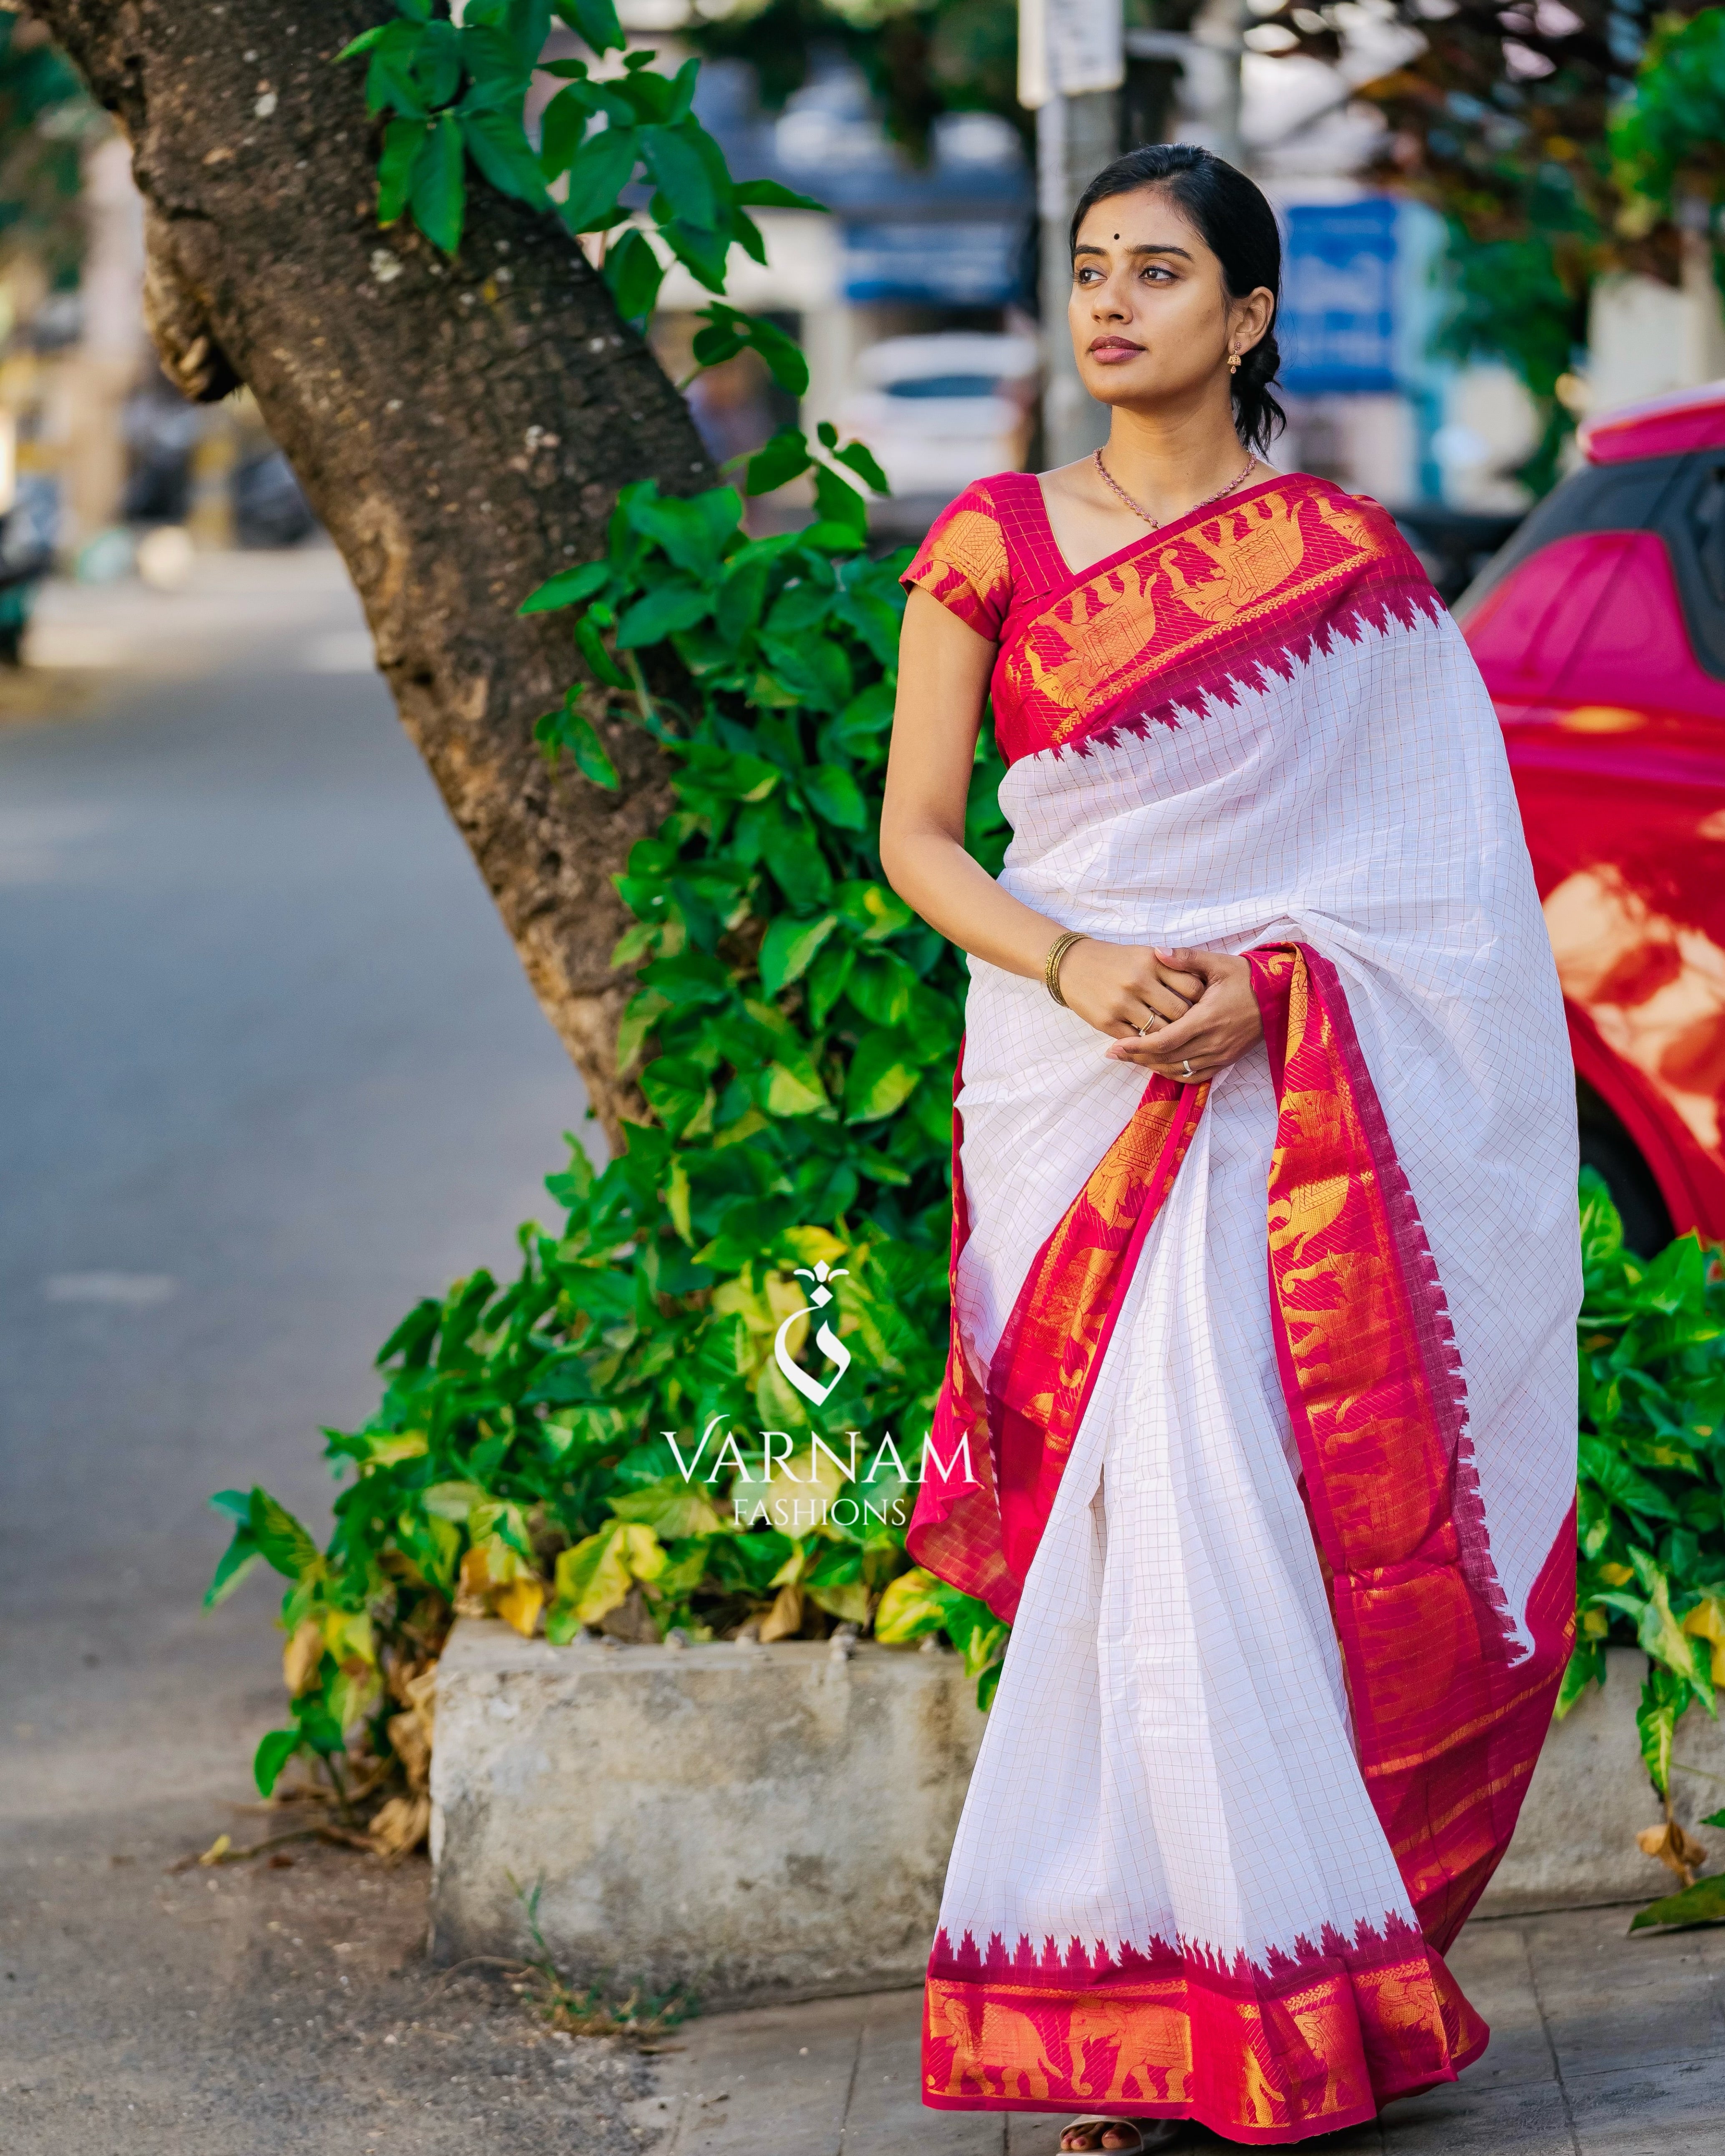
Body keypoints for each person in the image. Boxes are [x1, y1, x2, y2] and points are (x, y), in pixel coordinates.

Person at [878, 143, 1579, 2152]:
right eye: (1089, 269)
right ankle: (1131, 2000)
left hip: (1285, 1122)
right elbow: (919, 836)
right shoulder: (992, 541)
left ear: (1247, 317)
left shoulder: (1345, 568)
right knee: (1115, 1526)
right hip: (1070, 1083)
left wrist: (1278, 993)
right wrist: (1081, 963)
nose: (1110, 304)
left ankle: (1280, 1990)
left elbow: (1441, 891)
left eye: (1160, 273)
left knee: (1240, 1523)